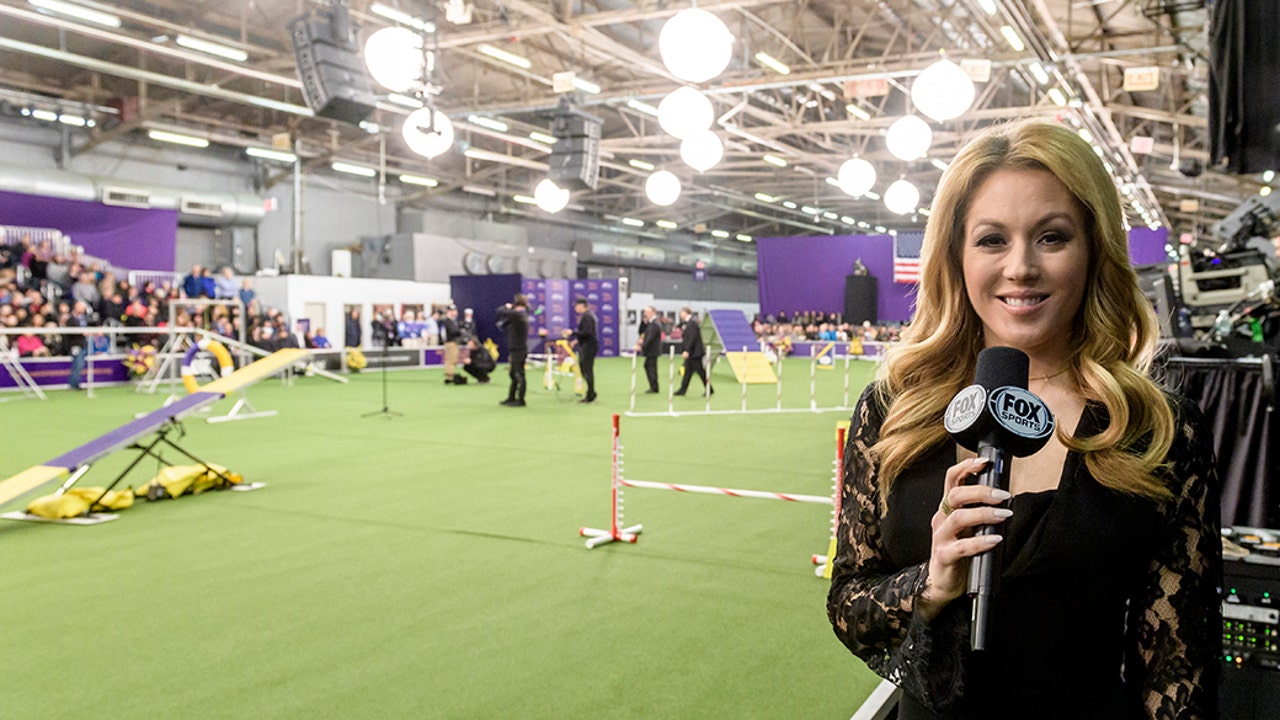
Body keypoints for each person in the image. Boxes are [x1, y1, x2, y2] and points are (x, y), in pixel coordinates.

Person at [825, 120, 1221, 719]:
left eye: (1052, 237)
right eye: (991, 240)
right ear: (956, 255)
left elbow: (1177, 674)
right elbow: (848, 603)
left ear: (1093, 251)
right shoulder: (892, 410)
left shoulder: (1158, 430)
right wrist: (930, 585)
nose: (1020, 267)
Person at [495, 294, 529, 407]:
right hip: (516, 348)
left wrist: (507, 306)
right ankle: (511, 397)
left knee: (519, 374)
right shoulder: (520, 315)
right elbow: (504, 322)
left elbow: (500, 311)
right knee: (513, 374)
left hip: (518, 349)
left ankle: (521, 400)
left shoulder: (518, 314)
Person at [564, 297, 598, 403]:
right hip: (588, 345)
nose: (575, 308)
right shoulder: (588, 316)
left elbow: (587, 333)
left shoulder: (587, 316)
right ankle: (591, 392)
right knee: (585, 370)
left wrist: (572, 333)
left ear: (581, 306)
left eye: (576, 306)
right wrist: (576, 341)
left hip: (589, 346)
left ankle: (591, 394)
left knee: (587, 370)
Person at [673, 306, 710, 396]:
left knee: (700, 372)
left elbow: (692, 338)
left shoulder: (692, 323)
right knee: (688, 372)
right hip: (692, 352)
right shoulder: (687, 323)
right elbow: (682, 327)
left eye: (681, 312)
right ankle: (683, 390)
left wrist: (687, 350)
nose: (680, 314)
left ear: (686, 312)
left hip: (695, 352)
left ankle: (709, 389)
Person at [634, 305, 662, 393]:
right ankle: (653, 386)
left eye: (647, 312)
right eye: (645, 312)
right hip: (650, 349)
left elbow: (650, 338)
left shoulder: (655, 324)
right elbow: (643, 332)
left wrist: (642, 347)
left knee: (651, 367)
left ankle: (654, 387)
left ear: (653, 312)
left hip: (652, 350)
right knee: (648, 366)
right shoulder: (650, 323)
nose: (645, 314)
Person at [440, 305, 463, 384]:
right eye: (454, 311)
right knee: (451, 360)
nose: (456, 312)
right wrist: (460, 331)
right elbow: (453, 331)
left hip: (453, 342)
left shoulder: (453, 321)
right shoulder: (447, 321)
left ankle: (450, 375)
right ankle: (449, 376)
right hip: (451, 342)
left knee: (452, 359)